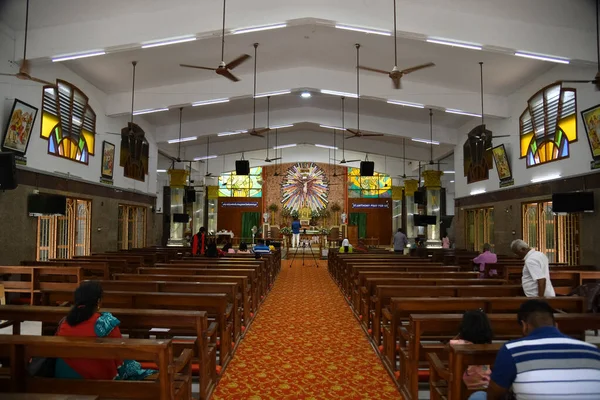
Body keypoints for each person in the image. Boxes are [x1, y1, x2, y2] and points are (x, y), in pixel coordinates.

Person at [468, 299, 600, 400]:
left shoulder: (512, 349)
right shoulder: (593, 351)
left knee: (479, 396)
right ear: (556, 325)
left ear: (524, 326)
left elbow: (493, 395)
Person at [55, 281, 155, 380]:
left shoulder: (64, 323)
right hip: (100, 380)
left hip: (65, 378)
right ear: (98, 301)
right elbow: (120, 354)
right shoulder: (106, 323)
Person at [450, 310, 494, 390]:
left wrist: (460, 334)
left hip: (463, 385)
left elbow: (446, 348)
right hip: (485, 384)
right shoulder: (489, 346)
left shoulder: (456, 344)